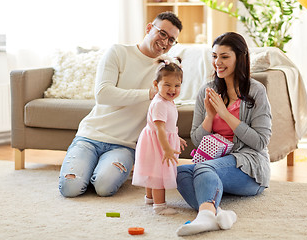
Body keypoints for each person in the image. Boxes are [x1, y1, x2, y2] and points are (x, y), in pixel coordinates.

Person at [58, 12, 183, 198]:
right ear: (149, 28)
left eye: (171, 40)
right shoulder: (118, 52)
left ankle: (97, 172)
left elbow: (167, 107)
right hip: (90, 136)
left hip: (124, 146)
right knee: (70, 188)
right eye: (162, 34)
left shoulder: (166, 68)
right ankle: (85, 170)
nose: (165, 42)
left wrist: (174, 135)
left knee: (103, 187)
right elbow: (103, 94)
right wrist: (147, 93)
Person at [176, 32, 272, 236]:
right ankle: (217, 213)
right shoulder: (207, 91)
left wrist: (225, 114)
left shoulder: (256, 91)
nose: (217, 62)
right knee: (181, 173)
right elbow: (196, 140)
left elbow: (260, 141)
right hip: (214, 164)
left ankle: (204, 216)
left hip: (248, 164)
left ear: (240, 57)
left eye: (224, 57)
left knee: (201, 169)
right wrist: (210, 117)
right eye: (214, 56)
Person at [132, 58, 187, 215]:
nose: (172, 89)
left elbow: (168, 126)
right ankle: (159, 206)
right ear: (156, 85)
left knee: (152, 170)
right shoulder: (160, 104)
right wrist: (167, 149)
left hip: (155, 140)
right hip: (157, 142)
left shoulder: (167, 101)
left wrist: (176, 137)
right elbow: (160, 130)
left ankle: (149, 198)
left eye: (177, 85)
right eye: (167, 85)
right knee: (157, 174)